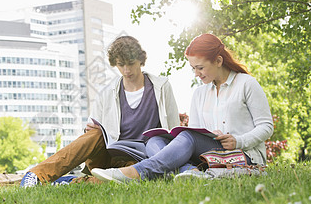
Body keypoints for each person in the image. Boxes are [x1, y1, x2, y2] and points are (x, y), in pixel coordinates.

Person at [91, 33, 274, 182]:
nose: (196, 74)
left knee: (186, 137)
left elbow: (266, 126)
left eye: (200, 68)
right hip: (212, 153)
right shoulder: (200, 93)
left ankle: (135, 172)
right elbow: (195, 132)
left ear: (218, 61)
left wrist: (238, 141)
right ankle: (191, 172)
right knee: (154, 142)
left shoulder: (246, 84)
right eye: (193, 68)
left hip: (243, 154)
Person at [20, 35, 180, 187]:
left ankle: (68, 181)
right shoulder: (107, 92)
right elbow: (92, 129)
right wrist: (90, 130)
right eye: (120, 65)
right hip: (107, 155)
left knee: (132, 177)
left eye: (130, 63)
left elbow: (174, 131)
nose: (126, 70)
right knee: (95, 135)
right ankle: (36, 175)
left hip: (140, 159)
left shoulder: (161, 87)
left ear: (140, 59)